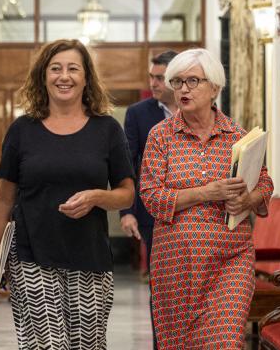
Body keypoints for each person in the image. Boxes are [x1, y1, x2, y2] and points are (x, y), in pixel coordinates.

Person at [0, 39, 135, 349]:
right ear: (43, 76)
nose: (64, 76)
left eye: (73, 69)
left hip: (89, 258)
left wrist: (96, 197)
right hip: (31, 257)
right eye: (55, 69)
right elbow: (3, 197)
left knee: (87, 345)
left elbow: (127, 194)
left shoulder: (107, 130)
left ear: (86, 77)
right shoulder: (22, 130)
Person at [139, 48, 273, 349]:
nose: (183, 89)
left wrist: (249, 200)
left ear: (214, 86)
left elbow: (264, 182)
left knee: (226, 340)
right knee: (180, 343)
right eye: (177, 82)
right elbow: (150, 196)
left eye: (192, 81)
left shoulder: (237, 135)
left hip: (230, 258)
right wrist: (205, 193)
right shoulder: (160, 136)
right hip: (177, 264)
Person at [119, 49, 178, 350]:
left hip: (195, 214)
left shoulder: (201, 108)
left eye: (159, 78)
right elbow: (128, 164)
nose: (153, 83)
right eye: (151, 77)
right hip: (153, 214)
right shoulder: (139, 114)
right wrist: (127, 212)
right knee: (163, 287)